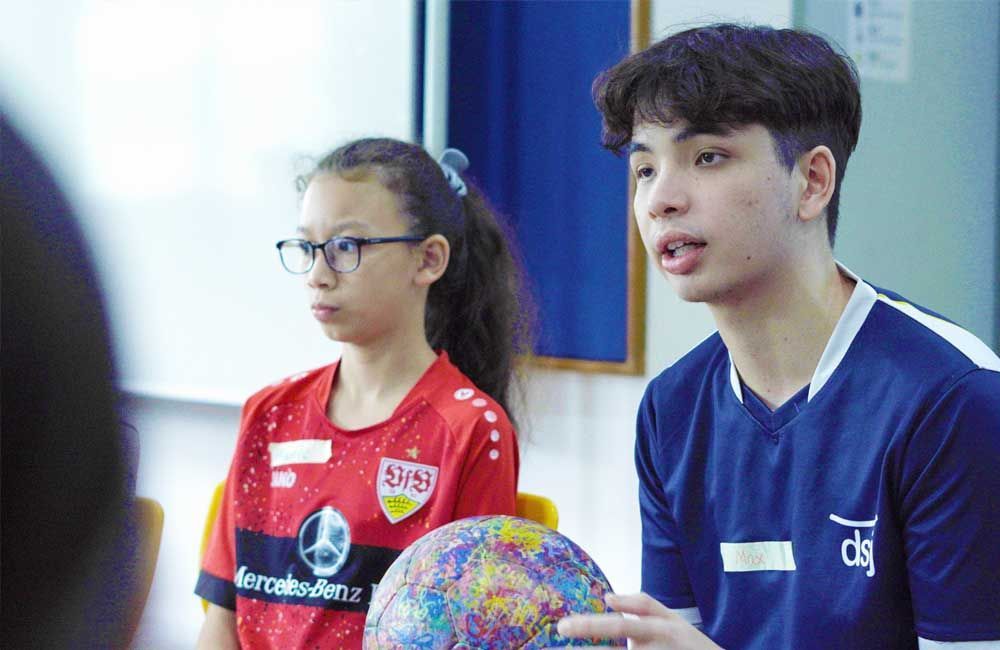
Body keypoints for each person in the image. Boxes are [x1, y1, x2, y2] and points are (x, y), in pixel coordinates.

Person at [556, 23, 1000, 650]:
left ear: (813, 182)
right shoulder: (671, 409)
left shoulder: (952, 398)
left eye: (707, 156)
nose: (660, 200)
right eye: (645, 168)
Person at [195, 138, 533, 649]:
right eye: (307, 247)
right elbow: (220, 620)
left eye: (345, 248)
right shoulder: (269, 413)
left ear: (428, 260)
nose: (317, 275)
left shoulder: (470, 430)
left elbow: (474, 635)